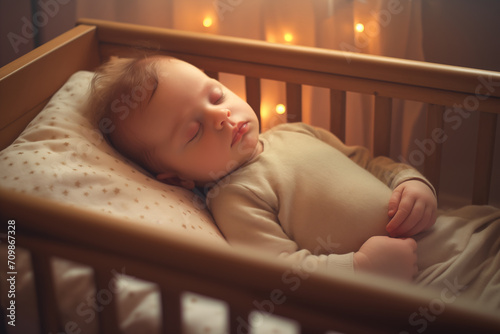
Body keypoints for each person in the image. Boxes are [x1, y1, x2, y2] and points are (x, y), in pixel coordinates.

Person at [89, 55, 438, 281]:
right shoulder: (235, 198)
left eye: (216, 97)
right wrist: (361, 270)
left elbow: (367, 162)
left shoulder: (294, 131)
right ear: (178, 177)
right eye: (194, 131)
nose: (221, 116)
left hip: (455, 230)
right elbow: (282, 274)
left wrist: (412, 182)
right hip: (425, 280)